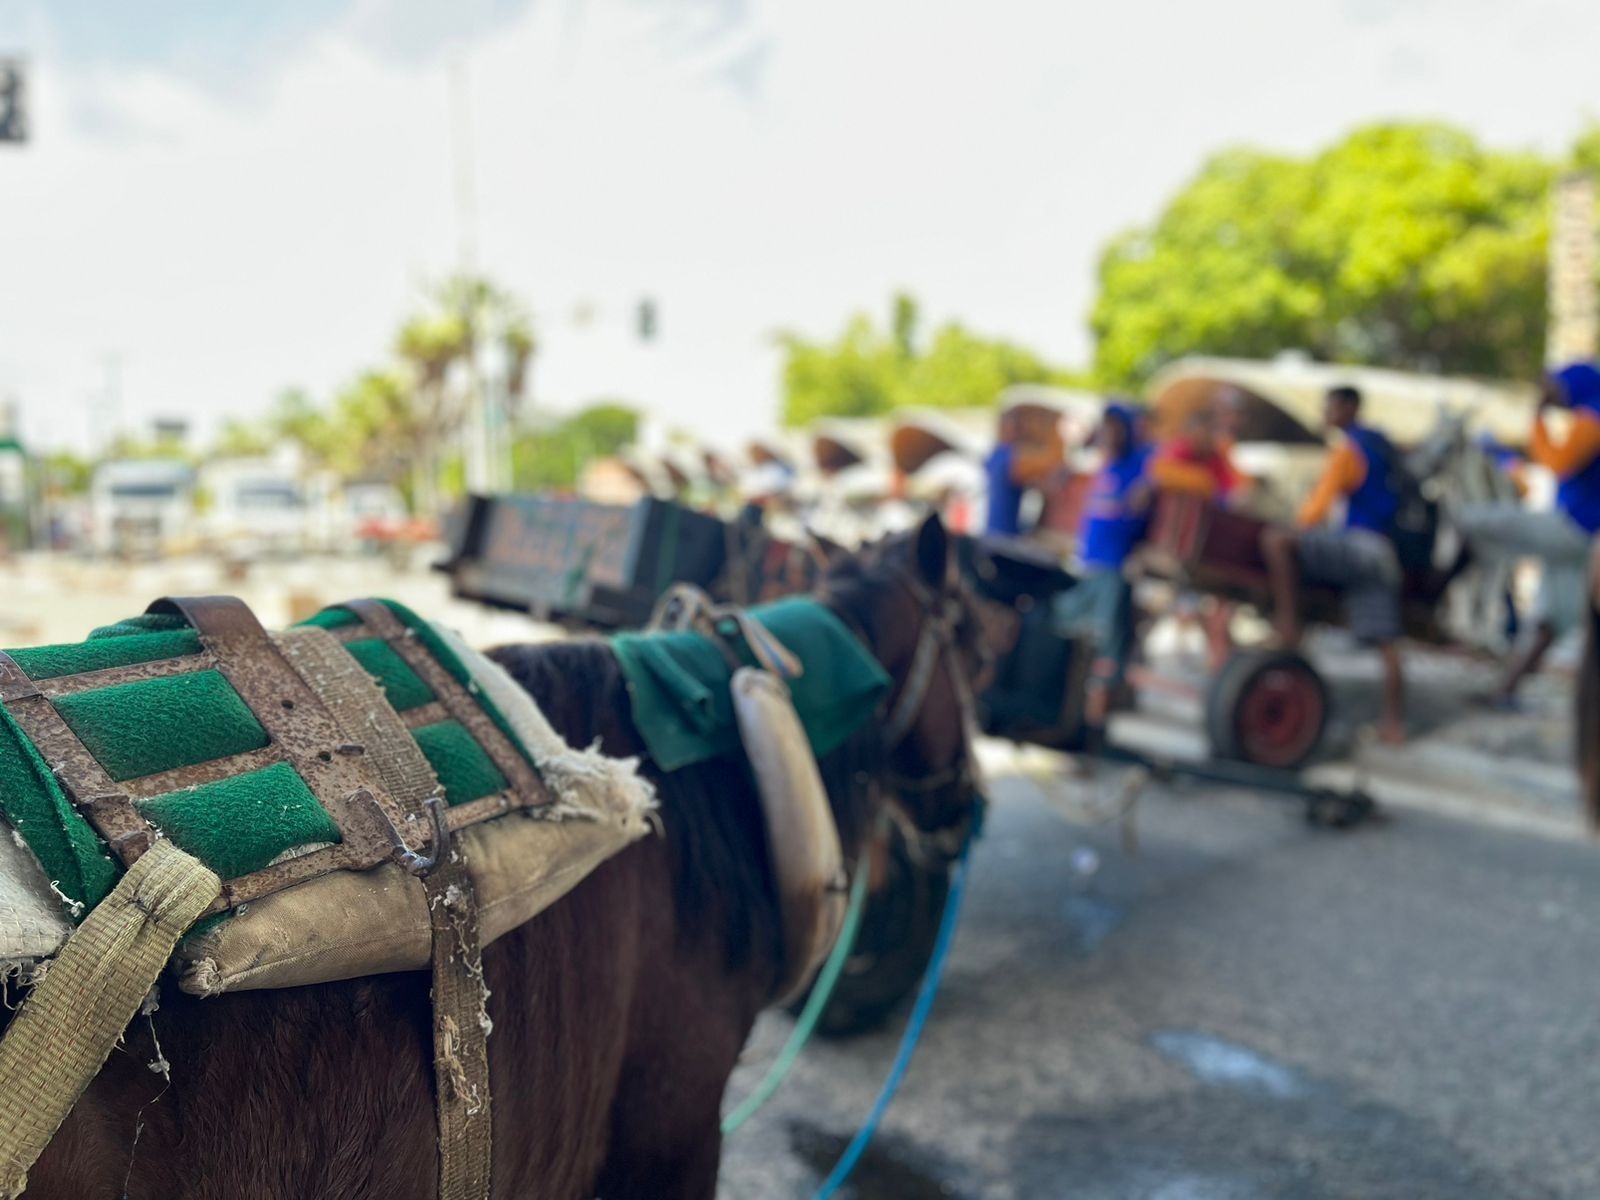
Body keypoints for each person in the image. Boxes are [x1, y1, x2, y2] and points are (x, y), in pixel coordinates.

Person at [1259, 385, 1407, 743]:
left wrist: (1298, 528)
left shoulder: (1349, 448)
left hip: (1359, 545)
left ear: (1349, 407)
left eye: (1331, 407)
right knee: (1386, 641)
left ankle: (1288, 626)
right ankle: (1394, 724)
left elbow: (1317, 507)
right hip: (1383, 553)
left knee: (1277, 541)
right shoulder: (1379, 444)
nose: (1326, 414)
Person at [1458, 361, 1600, 706]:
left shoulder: (1592, 418)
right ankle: (1505, 693)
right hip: (1580, 537)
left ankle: (1433, 585)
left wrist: (1538, 412)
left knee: (1469, 519)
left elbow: (1555, 461)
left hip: (1575, 529)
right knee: (1547, 623)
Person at [1052, 401, 1151, 727]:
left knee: (1105, 654)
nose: (1110, 433)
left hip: (1113, 571)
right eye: (1106, 427)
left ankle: (1093, 730)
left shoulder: (1140, 467)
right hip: (1086, 567)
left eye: (1116, 427)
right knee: (1071, 638)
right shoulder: (1103, 468)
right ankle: (1070, 721)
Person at [984, 407, 1064, 538]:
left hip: (992, 533)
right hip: (1004, 538)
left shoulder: (996, 454)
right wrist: (1053, 428)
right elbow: (1054, 459)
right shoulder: (1009, 457)